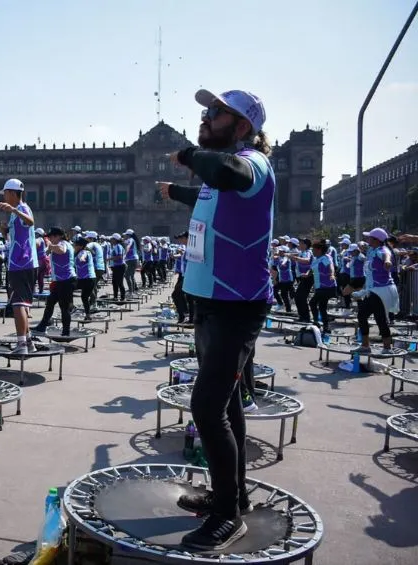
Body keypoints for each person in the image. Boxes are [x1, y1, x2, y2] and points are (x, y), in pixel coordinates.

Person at [158, 88, 273, 549]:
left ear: (242, 127)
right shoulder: (219, 176)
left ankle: (228, 515)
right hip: (209, 303)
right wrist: (173, 191)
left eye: (217, 114)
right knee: (224, 405)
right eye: (206, 111)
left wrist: (189, 153)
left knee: (206, 407)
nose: (207, 118)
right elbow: (206, 191)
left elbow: (226, 172)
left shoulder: (251, 164)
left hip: (236, 304)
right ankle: (235, 495)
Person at [0, 178, 38, 355]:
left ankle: (21, 344)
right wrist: (6, 231)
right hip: (19, 262)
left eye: (5, 193)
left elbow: (30, 221)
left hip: (22, 263)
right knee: (21, 303)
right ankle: (28, 342)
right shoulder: (15, 213)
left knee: (18, 304)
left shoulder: (21, 208)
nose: (4, 196)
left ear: (13, 193)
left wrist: (13, 209)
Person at [347, 228, 398, 354]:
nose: (367, 239)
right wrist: (364, 290)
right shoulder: (371, 251)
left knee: (378, 317)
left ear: (376, 240)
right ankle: (366, 346)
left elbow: (387, 255)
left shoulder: (383, 250)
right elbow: (369, 274)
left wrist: (386, 261)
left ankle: (386, 348)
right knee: (364, 315)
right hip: (373, 289)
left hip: (382, 290)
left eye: (369, 237)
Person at [32, 227, 76, 335]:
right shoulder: (60, 243)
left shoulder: (63, 243)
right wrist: (50, 248)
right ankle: (42, 326)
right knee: (50, 302)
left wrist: (50, 247)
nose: (50, 239)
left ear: (59, 236)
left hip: (66, 280)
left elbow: (62, 250)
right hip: (60, 280)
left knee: (63, 307)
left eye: (52, 237)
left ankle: (66, 332)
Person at [309, 241, 337, 335]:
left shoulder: (326, 257)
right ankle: (326, 327)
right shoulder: (317, 258)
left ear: (319, 250)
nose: (312, 251)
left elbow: (331, 266)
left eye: (314, 249)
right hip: (319, 286)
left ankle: (316, 322)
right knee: (322, 307)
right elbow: (313, 270)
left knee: (312, 302)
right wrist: (307, 274)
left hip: (327, 286)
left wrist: (332, 274)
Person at [170, 231, 194, 323]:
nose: (181, 240)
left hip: (188, 277)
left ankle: (182, 316)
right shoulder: (188, 248)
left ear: (188, 238)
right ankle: (189, 318)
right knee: (189, 297)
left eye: (183, 238)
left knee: (176, 294)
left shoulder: (191, 249)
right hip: (185, 275)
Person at [73, 236, 97, 317]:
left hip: (87, 279)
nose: (74, 246)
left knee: (68, 288)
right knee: (84, 297)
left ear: (80, 246)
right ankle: (88, 315)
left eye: (75, 245)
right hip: (86, 279)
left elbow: (82, 256)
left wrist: (82, 258)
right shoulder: (81, 252)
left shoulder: (84, 252)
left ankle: (71, 307)